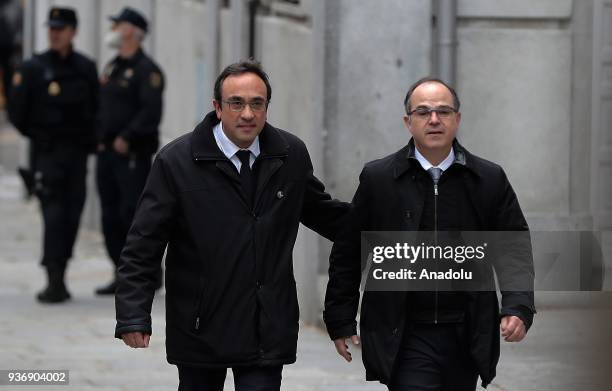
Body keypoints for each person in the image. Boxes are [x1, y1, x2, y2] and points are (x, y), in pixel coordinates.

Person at [114, 59, 348, 391]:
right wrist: (133, 314)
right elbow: (143, 244)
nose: (247, 114)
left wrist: (391, 217)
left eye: (257, 103)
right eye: (236, 103)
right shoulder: (176, 162)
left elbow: (325, 214)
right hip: (200, 326)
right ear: (217, 107)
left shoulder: (289, 155)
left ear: (267, 107)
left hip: (265, 327)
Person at [323, 77, 535, 390]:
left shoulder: (487, 179)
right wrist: (341, 318)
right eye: (423, 112)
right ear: (408, 122)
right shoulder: (379, 179)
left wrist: (518, 306)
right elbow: (349, 252)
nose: (434, 119)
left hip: (466, 332)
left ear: (457, 119)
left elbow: (513, 248)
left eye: (443, 112)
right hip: (404, 332)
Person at [7, 7, 98, 303]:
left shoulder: (85, 67)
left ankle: (62, 268)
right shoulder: (34, 68)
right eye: (52, 28)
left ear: (73, 31)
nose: (55, 33)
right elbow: (17, 112)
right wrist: (39, 133)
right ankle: (53, 276)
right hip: (47, 154)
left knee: (72, 213)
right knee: (53, 215)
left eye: (61, 29)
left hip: (76, 154)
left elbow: (97, 109)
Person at [95, 7, 164, 295]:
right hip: (107, 154)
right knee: (109, 215)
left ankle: (146, 275)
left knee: (131, 216)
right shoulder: (113, 66)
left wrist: (128, 136)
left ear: (131, 31)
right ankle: (120, 271)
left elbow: (150, 112)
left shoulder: (148, 71)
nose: (112, 30)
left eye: (117, 25)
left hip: (132, 156)